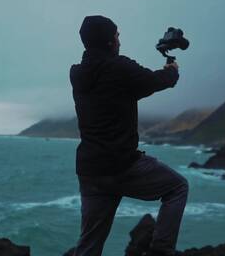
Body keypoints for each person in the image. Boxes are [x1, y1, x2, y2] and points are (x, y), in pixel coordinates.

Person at [69, 15, 189, 256]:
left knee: (89, 244)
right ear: (109, 42)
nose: (119, 40)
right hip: (123, 166)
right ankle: (161, 251)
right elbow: (155, 81)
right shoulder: (119, 67)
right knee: (177, 187)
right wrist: (172, 72)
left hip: (91, 170)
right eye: (117, 35)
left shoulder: (77, 74)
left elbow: (122, 87)